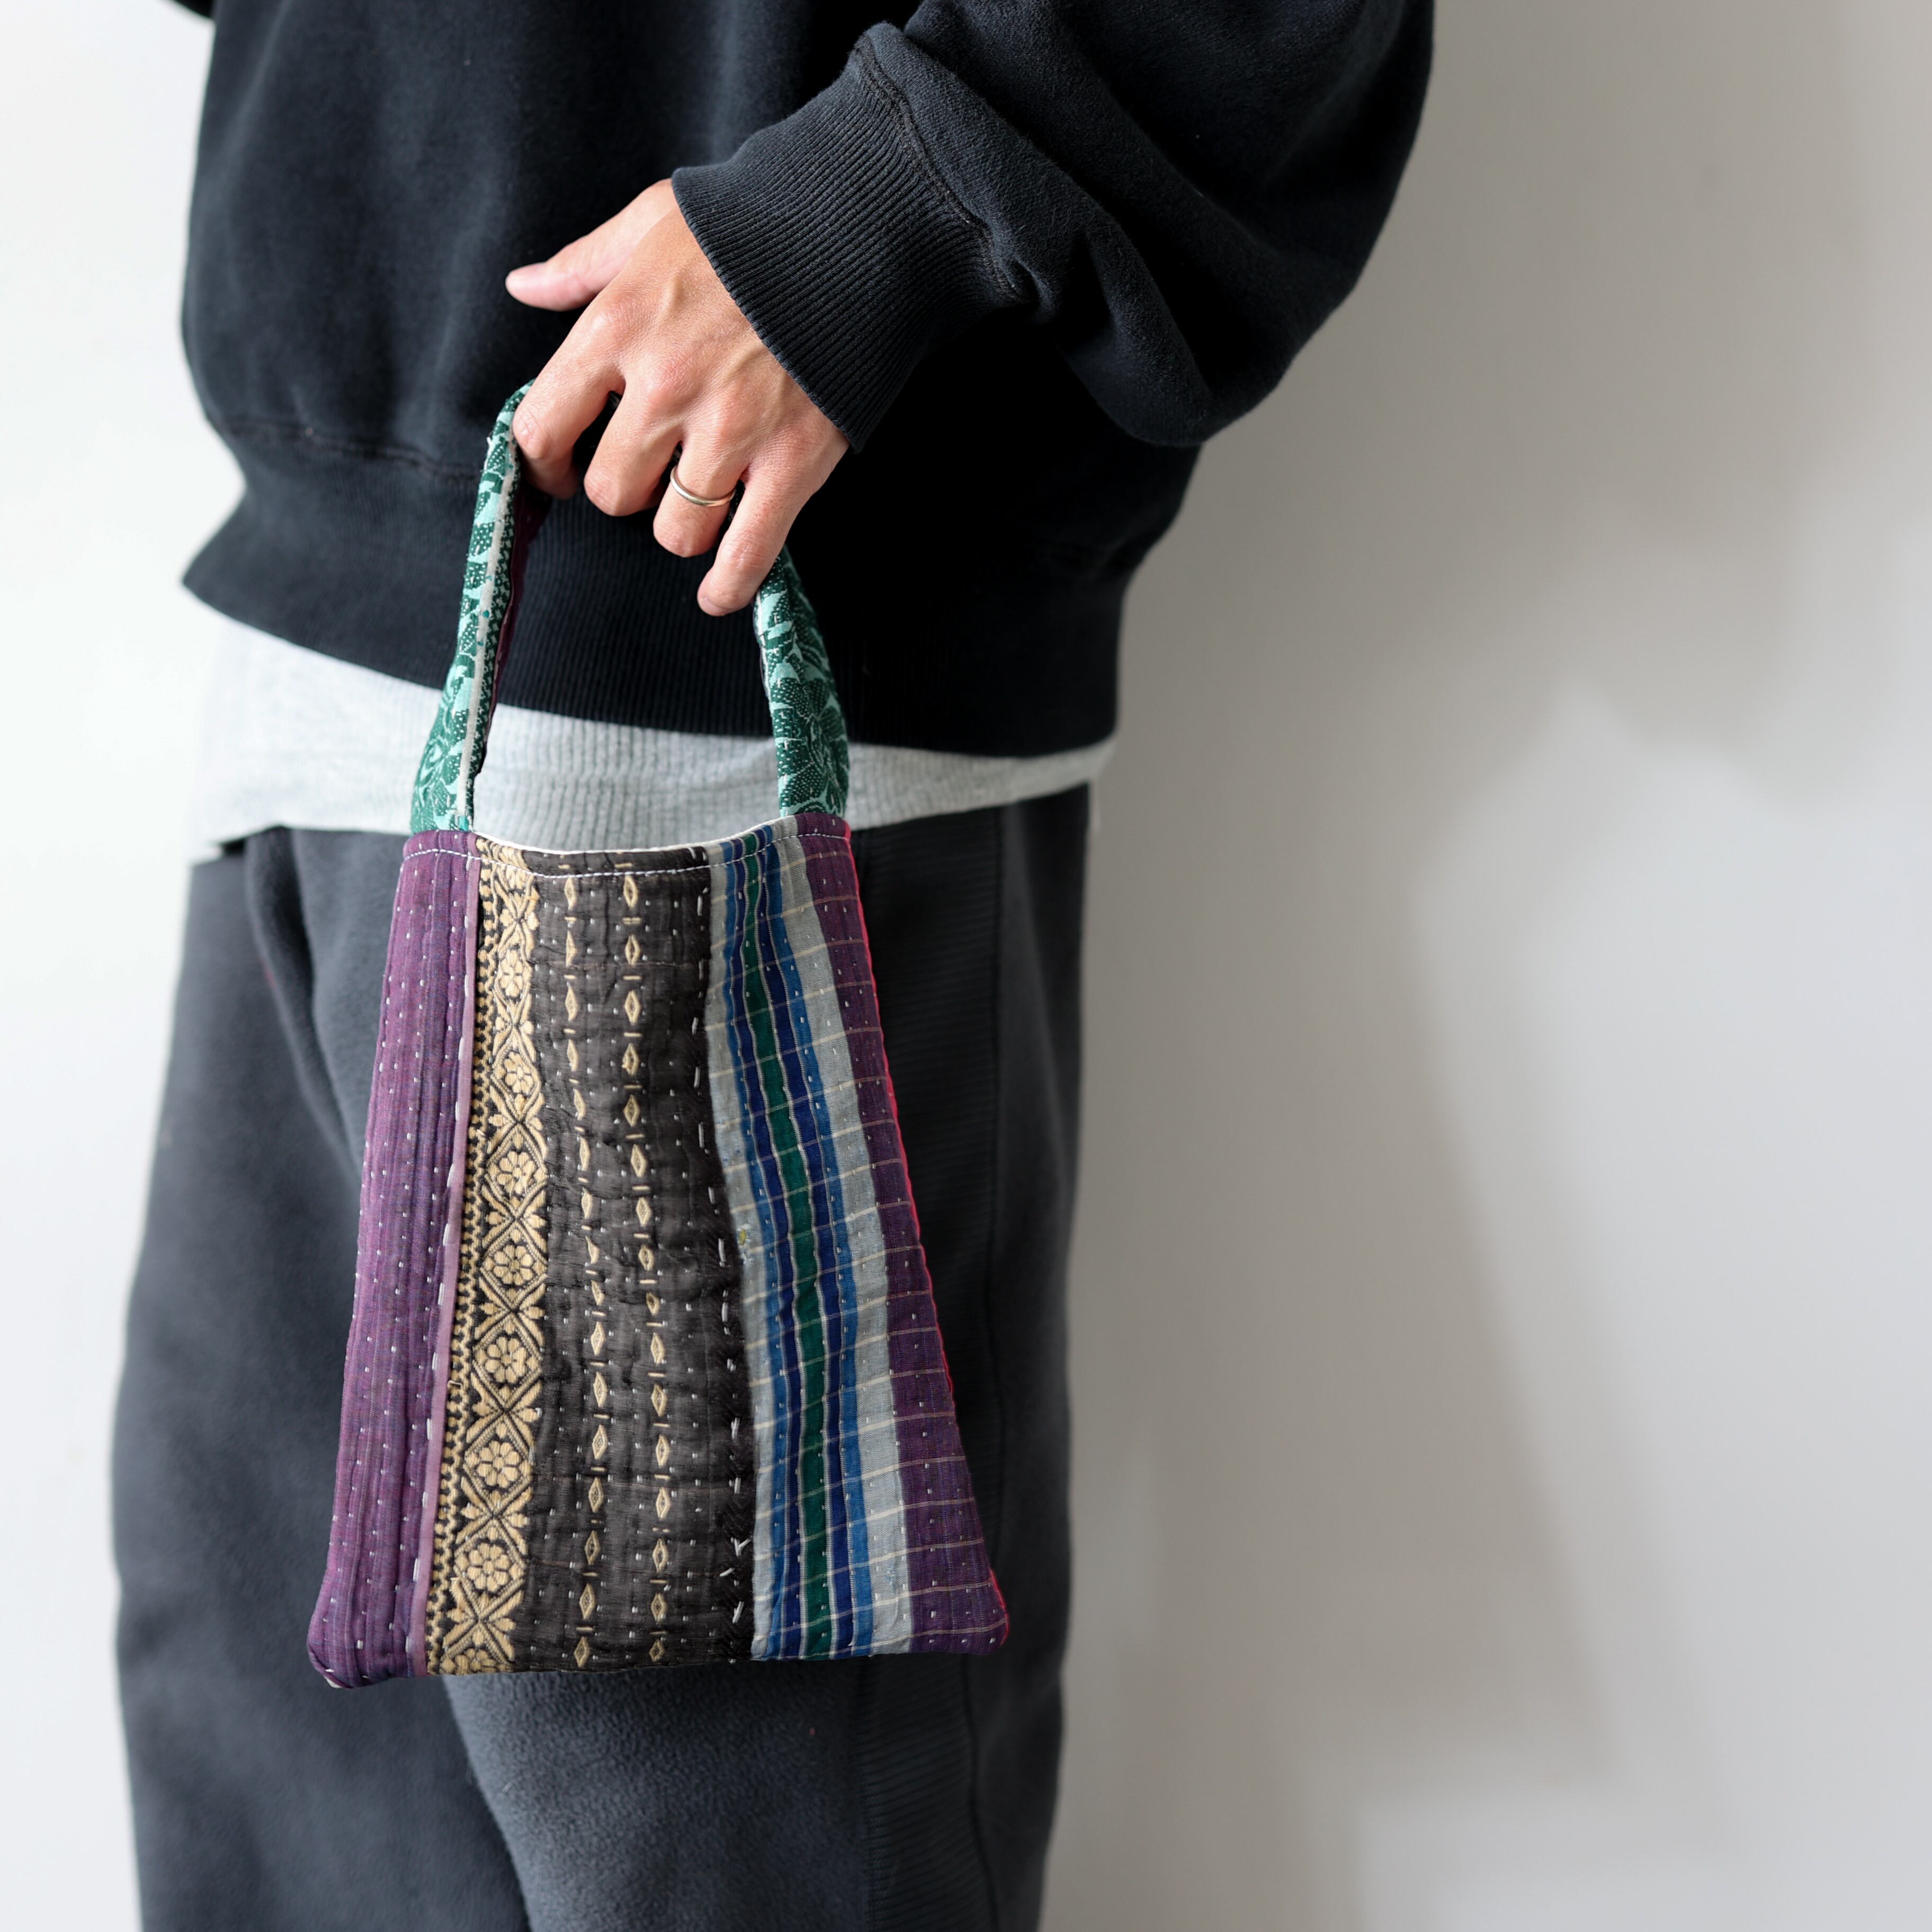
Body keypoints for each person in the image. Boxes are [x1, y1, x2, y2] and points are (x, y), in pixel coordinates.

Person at [115, 3, 1432, 1927]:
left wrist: (872, 208)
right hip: (318, 666)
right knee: (288, 1836)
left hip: (707, 715)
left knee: (744, 1853)